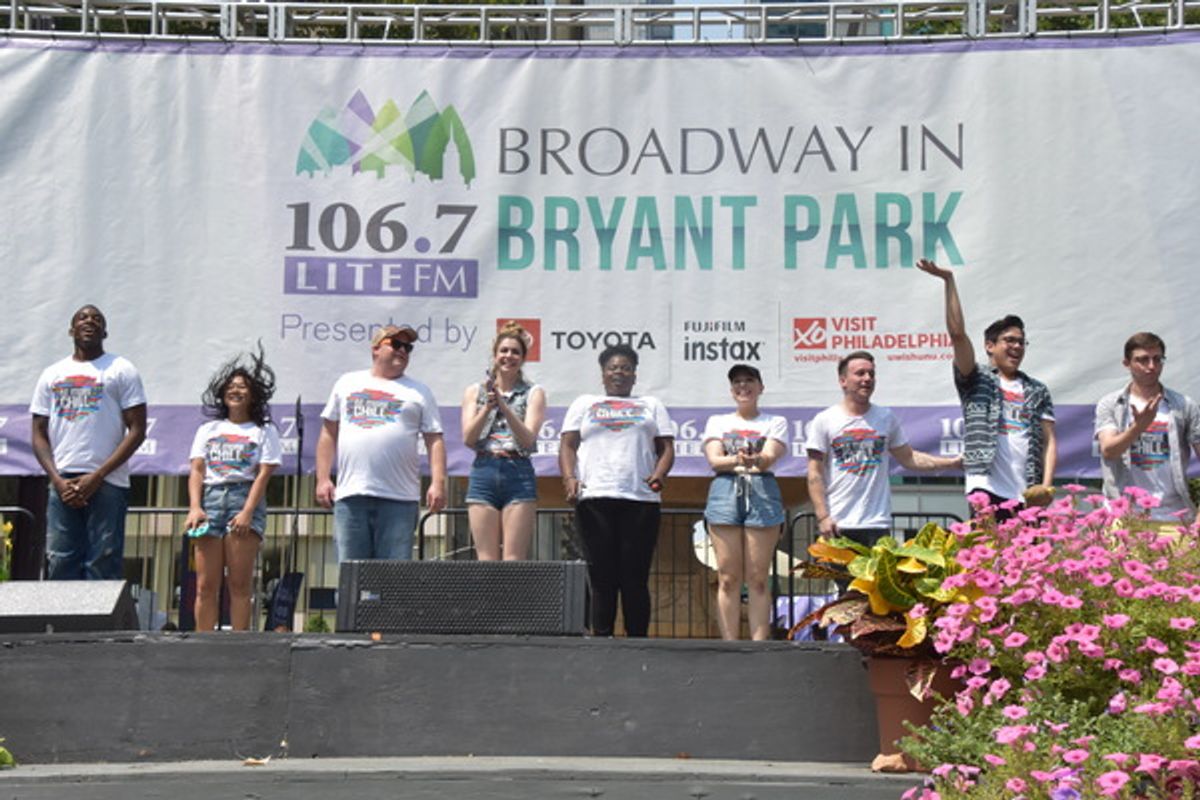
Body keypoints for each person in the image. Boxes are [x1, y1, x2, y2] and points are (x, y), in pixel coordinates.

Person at [917, 259, 1056, 512]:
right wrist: (949, 281)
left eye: (1022, 342)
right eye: (1009, 340)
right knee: (988, 551)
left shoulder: (1037, 390)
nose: (1016, 347)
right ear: (990, 346)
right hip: (986, 485)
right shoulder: (976, 378)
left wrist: (1045, 487)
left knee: (1031, 552)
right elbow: (958, 334)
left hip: (1028, 490)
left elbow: (1050, 442)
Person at [559, 345, 674, 637]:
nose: (619, 373)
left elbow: (666, 449)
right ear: (603, 375)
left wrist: (659, 475)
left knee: (634, 577)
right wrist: (569, 478)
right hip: (595, 498)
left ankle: (638, 642)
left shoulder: (651, 405)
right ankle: (602, 639)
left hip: (640, 500)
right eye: (613, 368)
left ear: (634, 375)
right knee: (601, 576)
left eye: (625, 368)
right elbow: (568, 445)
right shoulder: (584, 403)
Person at [30, 305, 147, 580]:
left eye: (96, 319)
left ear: (104, 332)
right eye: (83, 318)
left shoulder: (121, 369)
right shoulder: (52, 373)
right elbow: (38, 433)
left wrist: (98, 475)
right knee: (60, 559)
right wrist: (57, 479)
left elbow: (137, 429)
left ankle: (99, 626)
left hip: (108, 482)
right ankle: (60, 624)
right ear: (72, 330)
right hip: (64, 482)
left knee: (102, 560)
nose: (89, 321)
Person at [316, 324, 446, 563]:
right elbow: (328, 433)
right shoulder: (347, 382)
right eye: (396, 344)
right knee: (351, 577)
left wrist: (438, 483)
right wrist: (323, 479)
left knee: (392, 582)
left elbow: (434, 439)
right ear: (376, 348)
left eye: (408, 347)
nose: (402, 351)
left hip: (400, 499)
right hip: (352, 496)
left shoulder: (419, 391)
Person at [807, 351, 961, 552]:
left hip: (877, 525)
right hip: (838, 524)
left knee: (874, 584)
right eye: (860, 373)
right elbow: (814, 473)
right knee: (845, 584)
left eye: (871, 374)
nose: (867, 379)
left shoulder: (886, 418)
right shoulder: (825, 420)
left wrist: (952, 463)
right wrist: (823, 516)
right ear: (843, 380)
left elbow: (910, 458)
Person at [184, 347, 281, 631]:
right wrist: (195, 506)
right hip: (211, 498)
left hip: (243, 496)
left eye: (242, 387)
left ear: (253, 395)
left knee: (239, 583)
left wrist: (248, 512)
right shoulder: (208, 430)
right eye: (231, 386)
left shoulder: (264, 431)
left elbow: (264, 475)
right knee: (205, 584)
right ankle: (204, 643)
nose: (235, 391)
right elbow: (197, 470)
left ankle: (239, 644)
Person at [701, 364, 788, 641]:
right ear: (731, 390)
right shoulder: (718, 421)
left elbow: (770, 456)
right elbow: (715, 460)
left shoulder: (775, 421)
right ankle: (730, 645)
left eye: (749, 381)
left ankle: (759, 646)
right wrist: (739, 459)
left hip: (762, 490)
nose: (743, 386)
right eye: (737, 382)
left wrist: (756, 460)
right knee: (727, 576)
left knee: (758, 578)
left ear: (760, 387)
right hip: (725, 491)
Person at [1095, 332, 1200, 528]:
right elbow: (1108, 450)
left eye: (1157, 359)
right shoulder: (1111, 403)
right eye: (1143, 360)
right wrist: (1138, 427)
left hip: (1175, 515)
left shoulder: (1184, 405)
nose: (1151, 366)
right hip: (1124, 515)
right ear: (1127, 363)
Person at [461, 322, 546, 560]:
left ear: (523, 358)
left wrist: (504, 406)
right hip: (483, 471)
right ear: (495, 354)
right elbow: (468, 438)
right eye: (504, 351)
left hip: (518, 472)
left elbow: (528, 440)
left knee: (513, 561)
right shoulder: (474, 392)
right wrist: (488, 406)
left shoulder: (533, 392)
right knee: (486, 560)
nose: (509, 356)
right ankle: (486, 599)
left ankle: (513, 599)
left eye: (515, 352)